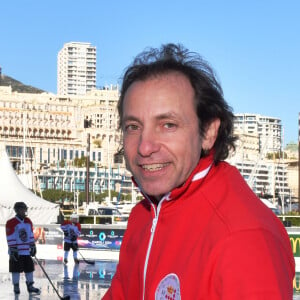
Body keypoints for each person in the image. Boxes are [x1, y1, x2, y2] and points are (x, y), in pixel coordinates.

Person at [102, 43, 295, 299]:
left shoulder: (244, 238)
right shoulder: (144, 216)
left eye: (168, 125)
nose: (145, 146)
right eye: (133, 127)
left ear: (208, 132)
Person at [6, 201, 40, 295]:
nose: (24, 211)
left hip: (26, 251)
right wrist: (13, 249)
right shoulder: (11, 222)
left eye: (25, 209)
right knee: (15, 269)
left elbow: (30, 234)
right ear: (17, 210)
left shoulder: (28, 221)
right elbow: (10, 236)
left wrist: (32, 245)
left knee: (29, 268)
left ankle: (30, 285)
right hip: (16, 251)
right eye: (22, 209)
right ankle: (16, 286)